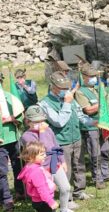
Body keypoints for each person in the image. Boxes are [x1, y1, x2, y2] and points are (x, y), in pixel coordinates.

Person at [39, 71, 95, 201]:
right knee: (65, 170)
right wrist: (67, 103)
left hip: (76, 137)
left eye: (67, 88)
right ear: (53, 87)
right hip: (60, 142)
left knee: (79, 165)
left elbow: (80, 116)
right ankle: (67, 198)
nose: (66, 90)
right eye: (63, 88)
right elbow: (59, 122)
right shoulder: (45, 103)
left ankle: (79, 191)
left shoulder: (70, 98)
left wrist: (94, 122)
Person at [20, 105, 75, 212]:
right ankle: (50, 207)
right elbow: (43, 148)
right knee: (48, 190)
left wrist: (62, 160)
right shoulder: (26, 136)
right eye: (36, 122)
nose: (39, 124)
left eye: (41, 121)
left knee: (66, 187)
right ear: (28, 121)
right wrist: (42, 132)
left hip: (54, 162)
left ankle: (64, 208)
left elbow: (56, 145)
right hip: (42, 168)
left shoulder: (48, 129)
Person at [75, 65, 109, 188]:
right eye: (91, 76)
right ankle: (97, 178)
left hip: (103, 124)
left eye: (95, 76)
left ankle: (105, 174)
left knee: (105, 150)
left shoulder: (97, 89)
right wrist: (102, 103)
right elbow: (88, 110)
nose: (95, 78)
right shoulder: (80, 92)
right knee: (95, 153)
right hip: (91, 127)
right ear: (84, 77)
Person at [17, 141, 59, 212]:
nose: (45, 155)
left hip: (37, 200)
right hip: (44, 201)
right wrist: (50, 202)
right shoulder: (36, 172)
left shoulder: (29, 167)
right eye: (42, 154)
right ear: (31, 157)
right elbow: (42, 189)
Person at [0, 87, 25, 202]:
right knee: (2, 171)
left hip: (14, 137)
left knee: (18, 166)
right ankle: (6, 199)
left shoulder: (9, 97)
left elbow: (20, 113)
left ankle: (20, 192)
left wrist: (14, 119)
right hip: (1, 142)